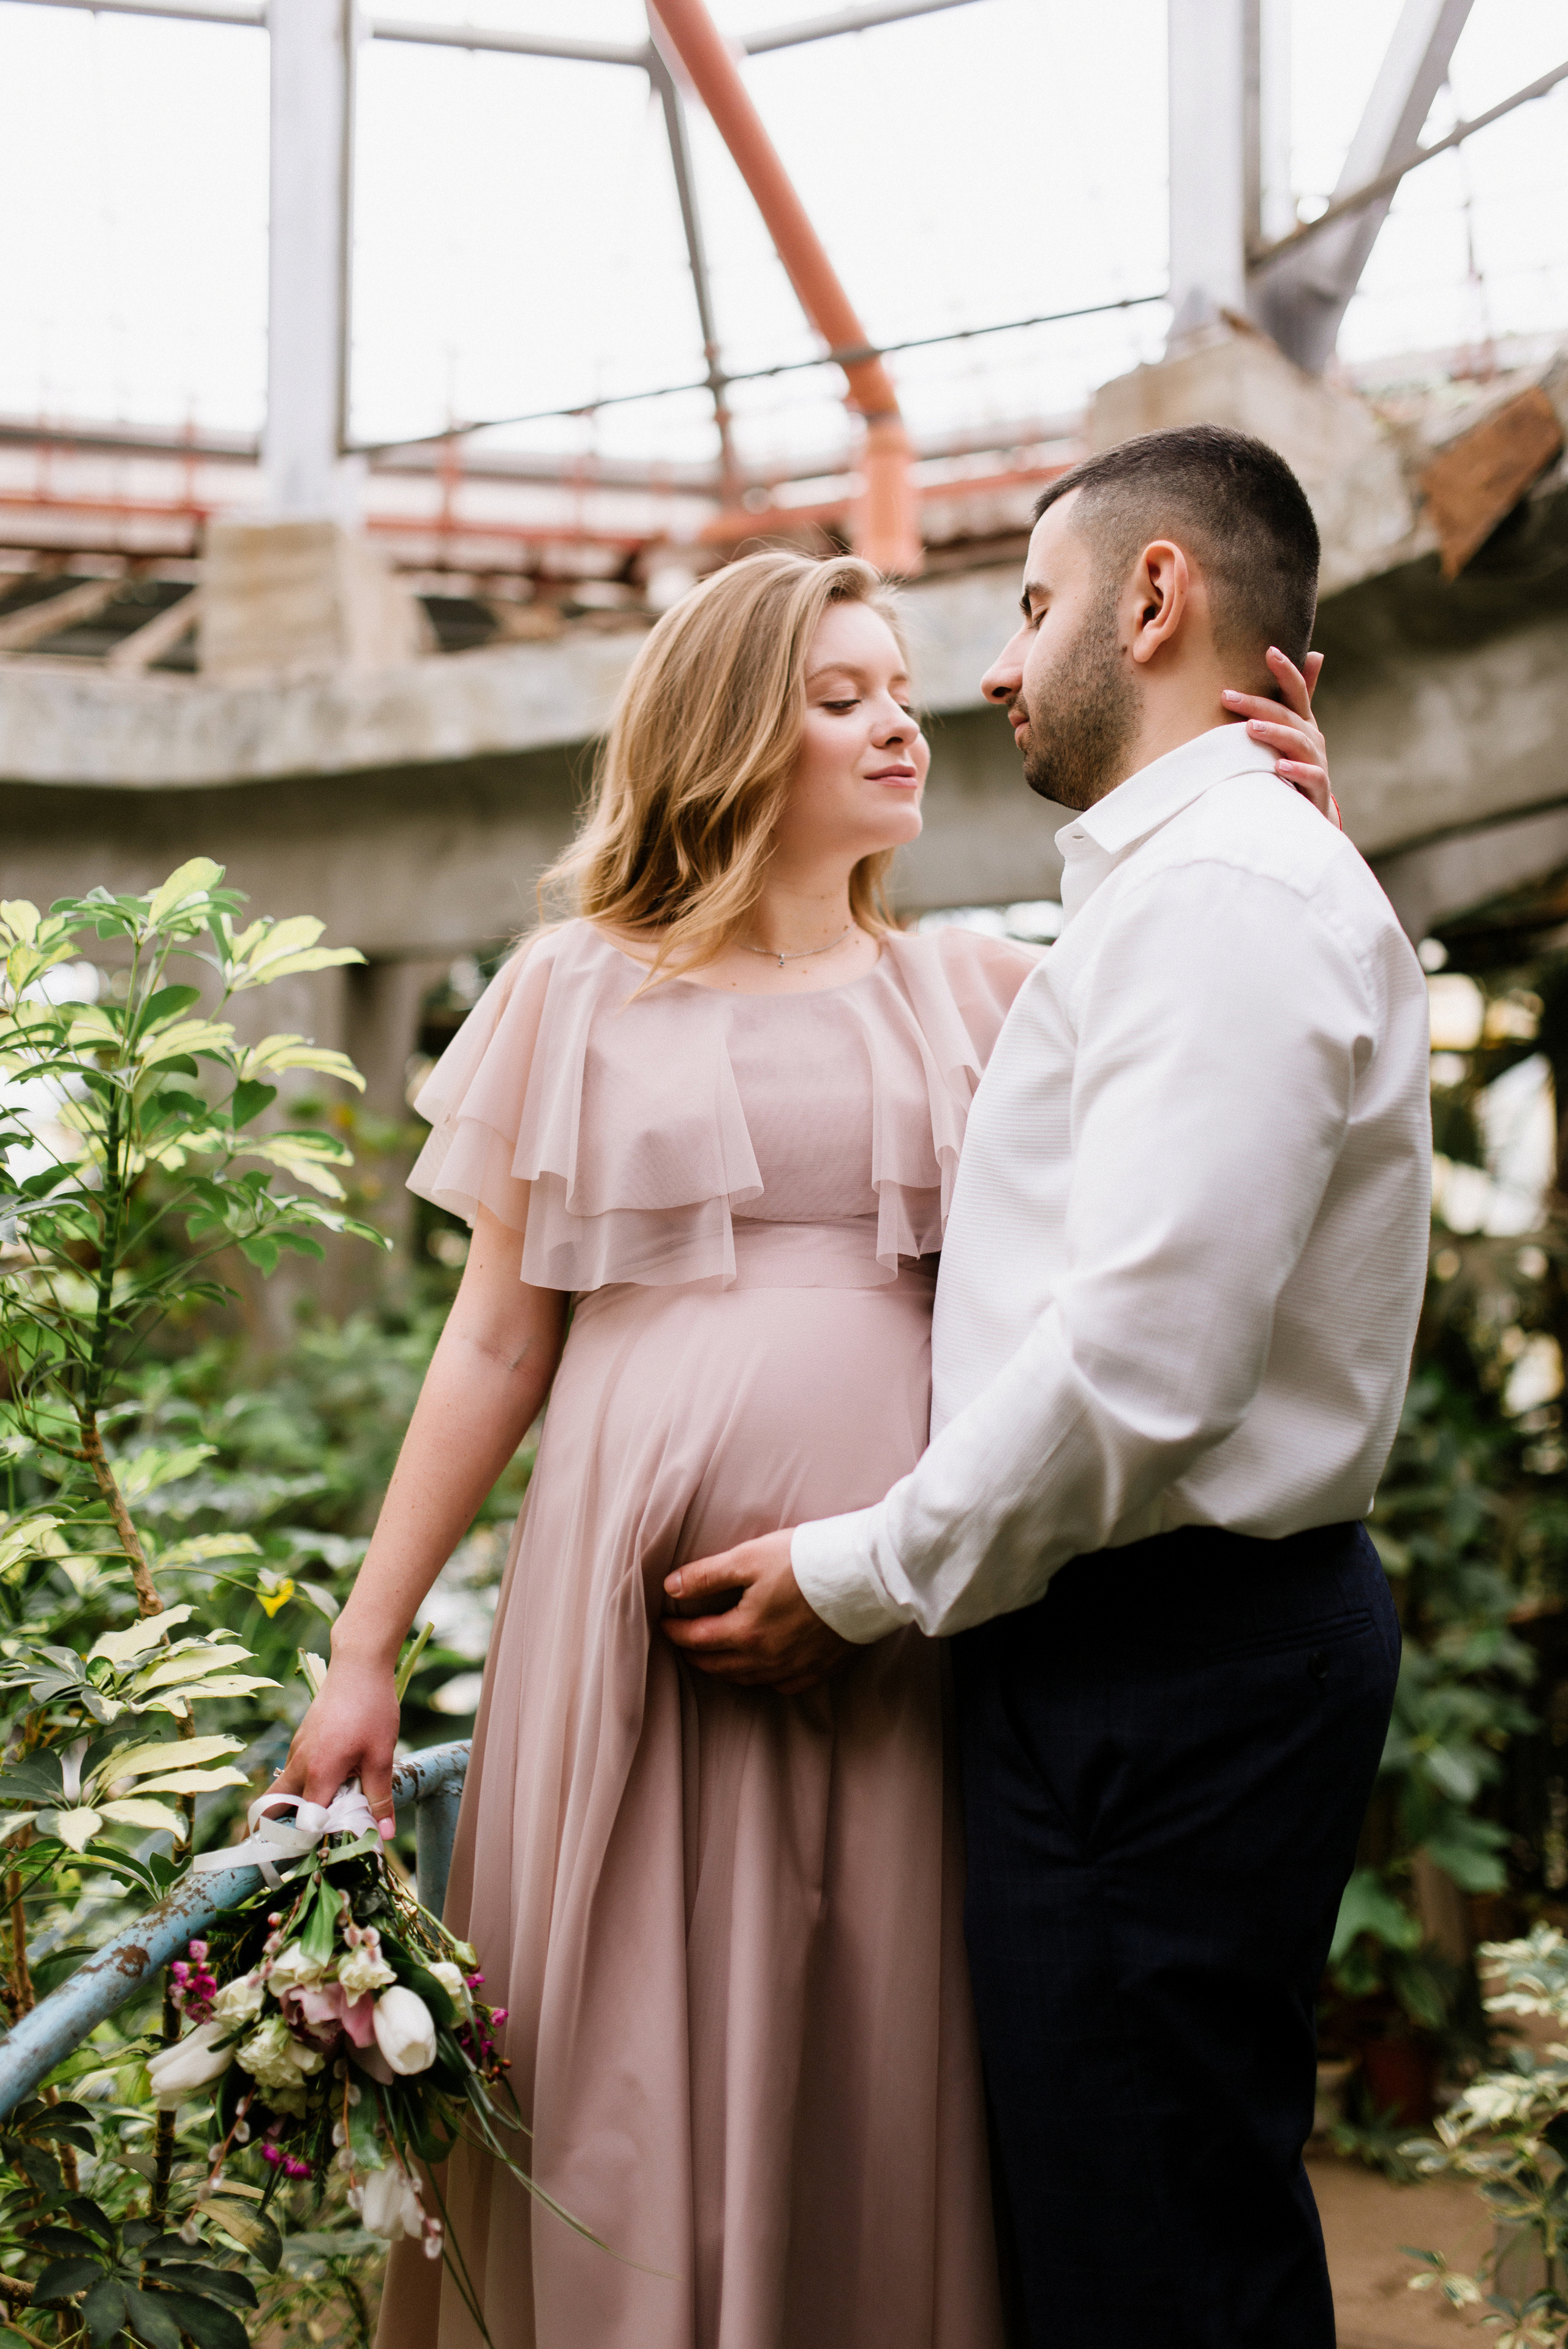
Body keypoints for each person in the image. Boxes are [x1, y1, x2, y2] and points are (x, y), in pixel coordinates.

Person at [277, 533, 1338, 2349]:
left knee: (878, 2040)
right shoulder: (580, 989)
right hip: (630, 1637)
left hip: (901, 1633)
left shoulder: (993, 993)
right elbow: (492, 1343)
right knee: (621, 2049)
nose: (903, 726)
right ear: (730, 739)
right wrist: (362, 1651)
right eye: (841, 698)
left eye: (902, 691)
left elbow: (1229, 1056)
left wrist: (1292, 823)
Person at [663, 428, 1431, 2349]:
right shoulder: (1211, 891)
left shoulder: (1225, 901)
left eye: (1029, 607)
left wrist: (860, 1572)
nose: (999, 669)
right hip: (1148, 1660)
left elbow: (1146, 1359)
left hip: (1157, 1670)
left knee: (1145, 2262)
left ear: (1154, 599)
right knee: (1144, 2209)